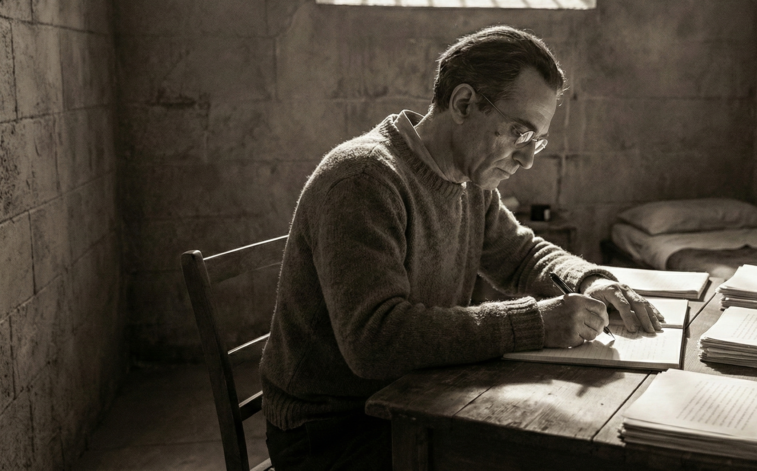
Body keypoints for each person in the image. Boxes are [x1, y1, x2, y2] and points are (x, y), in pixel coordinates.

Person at [260, 26, 663, 470]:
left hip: (417, 396)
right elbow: (374, 340)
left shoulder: (469, 181)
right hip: (334, 431)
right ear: (464, 103)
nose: (528, 159)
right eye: (518, 133)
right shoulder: (363, 179)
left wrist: (591, 280)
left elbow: (522, 256)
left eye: (537, 140)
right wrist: (536, 323)